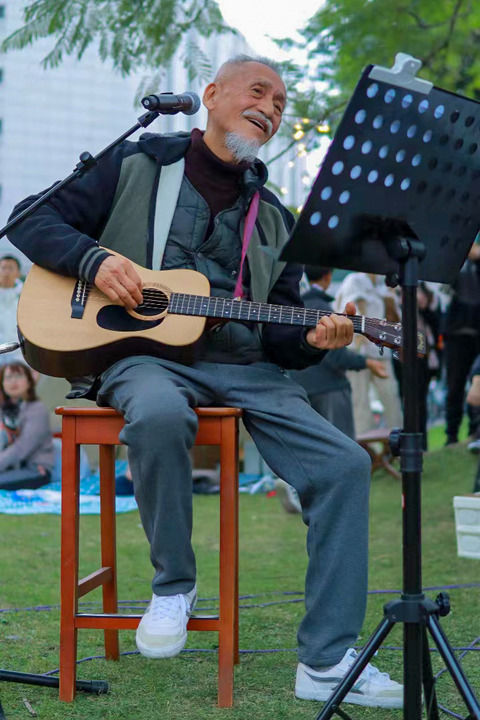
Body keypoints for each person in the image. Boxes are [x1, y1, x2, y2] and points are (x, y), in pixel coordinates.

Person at [7, 55, 402, 708]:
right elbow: (28, 218)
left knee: (344, 465)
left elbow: (281, 328)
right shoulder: (135, 163)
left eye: (280, 104)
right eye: (259, 92)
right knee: (160, 415)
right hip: (144, 359)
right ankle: (174, 586)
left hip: (247, 369)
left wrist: (311, 337)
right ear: (212, 95)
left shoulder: (276, 217)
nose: (270, 108)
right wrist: (94, 259)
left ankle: (327, 662)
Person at [334, 271, 403, 436]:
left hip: (380, 353)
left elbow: (394, 320)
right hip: (359, 353)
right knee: (360, 403)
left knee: (391, 398)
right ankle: (366, 446)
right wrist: (361, 344)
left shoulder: (383, 284)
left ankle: (399, 442)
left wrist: (390, 300)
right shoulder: (355, 280)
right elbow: (354, 311)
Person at [443, 243, 480, 445]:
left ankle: (475, 430)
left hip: (476, 331)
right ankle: (451, 435)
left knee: (476, 381)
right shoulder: (451, 257)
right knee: (454, 385)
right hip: (456, 333)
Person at [0, 361, 54, 490]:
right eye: (8, 377)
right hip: (8, 468)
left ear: (29, 382)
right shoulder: (4, 411)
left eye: (18, 376)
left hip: (34, 469)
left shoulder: (37, 409)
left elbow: (23, 447)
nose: (13, 381)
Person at [0, 254, 24, 365]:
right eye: (3, 268)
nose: (6, 272)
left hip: (19, 353)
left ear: (18, 273)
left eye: (10, 268)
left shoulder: (26, 295)